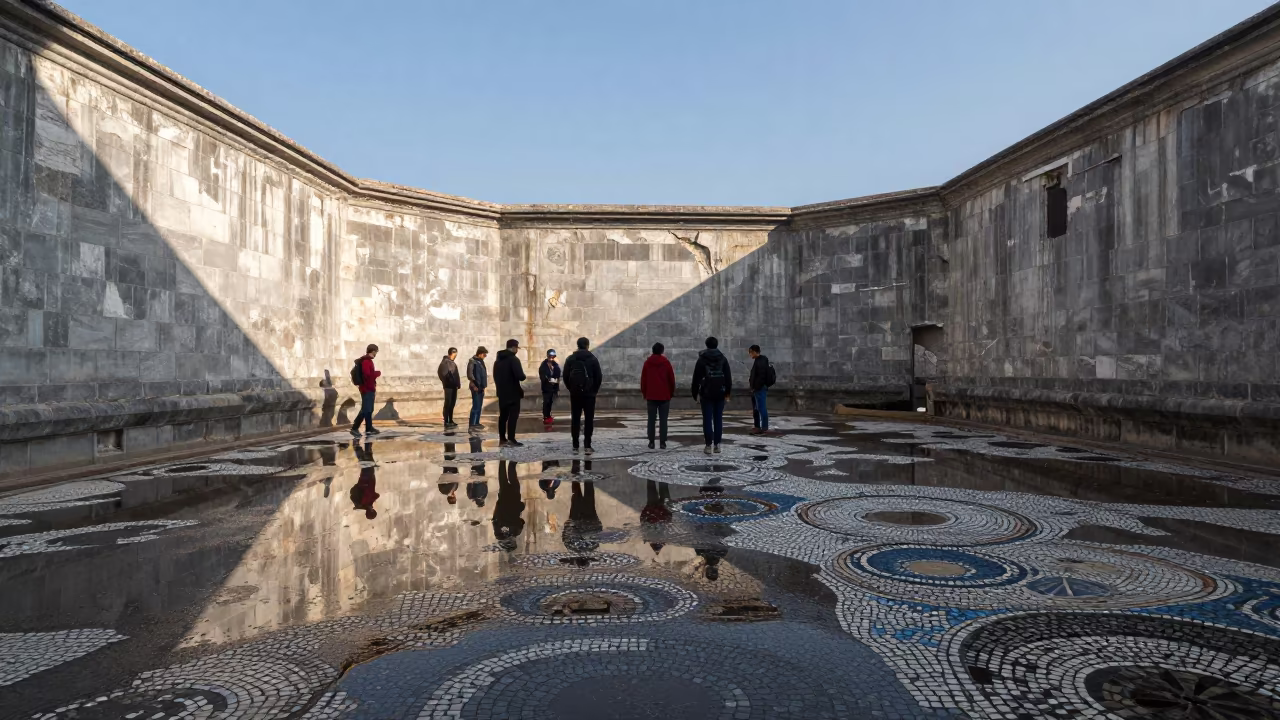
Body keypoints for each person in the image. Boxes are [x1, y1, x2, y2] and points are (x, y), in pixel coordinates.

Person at [691, 336, 732, 454]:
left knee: (707, 419)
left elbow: (696, 378)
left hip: (706, 393)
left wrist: (695, 394)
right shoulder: (723, 359)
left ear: (706, 345)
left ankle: (708, 445)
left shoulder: (702, 359)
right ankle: (717, 445)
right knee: (718, 418)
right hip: (720, 393)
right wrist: (727, 393)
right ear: (716, 345)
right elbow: (728, 378)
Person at [562, 337, 603, 454]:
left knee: (575, 418)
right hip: (589, 395)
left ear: (577, 345)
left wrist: (572, 389)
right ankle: (587, 445)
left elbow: (565, 376)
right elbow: (598, 377)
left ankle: (575, 445)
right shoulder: (593, 359)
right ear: (587, 345)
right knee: (589, 419)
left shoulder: (570, 359)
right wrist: (593, 390)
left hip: (575, 394)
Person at [639, 342, 676, 450]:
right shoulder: (666, 363)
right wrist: (671, 392)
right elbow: (671, 380)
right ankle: (663, 442)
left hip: (651, 395)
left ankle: (651, 442)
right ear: (662, 351)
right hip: (664, 396)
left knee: (651, 419)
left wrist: (644, 393)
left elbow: (643, 380)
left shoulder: (647, 363)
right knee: (663, 420)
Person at [493, 339, 527, 447]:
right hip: (513, 393)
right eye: (516, 348)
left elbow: (495, 377)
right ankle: (511, 439)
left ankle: (502, 439)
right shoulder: (513, 359)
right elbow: (520, 376)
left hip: (502, 392)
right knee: (513, 416)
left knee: (503, 416)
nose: (517, 350)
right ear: (513, 348)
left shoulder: (497, 361)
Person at [492, 461, 525, 552]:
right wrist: (498, 505)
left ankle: (511, 462)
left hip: (513, 501)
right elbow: (494, 519)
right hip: (504, 502)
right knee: (503, 479)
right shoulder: (499, 533)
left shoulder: (516, 531)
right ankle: (503, 461)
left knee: (512, 479)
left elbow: (521, 521)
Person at [350, 344, 382, 438]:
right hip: (367, 388)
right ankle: (354, 428)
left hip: (369, 388)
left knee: (369, 409)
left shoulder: (366, 361)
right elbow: (367, 375)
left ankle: (369, 428)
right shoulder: (366, 361)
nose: (376, 354)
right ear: (373, 351)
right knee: (365, 409)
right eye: (376, 352)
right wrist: (377, 373)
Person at [349, 442, 379, 519]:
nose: (372, 510)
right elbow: (375, 494)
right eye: (372, 511)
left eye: (371, 511)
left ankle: (358, 447)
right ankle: (366, 445)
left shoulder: (363, 503)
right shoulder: (368, 503)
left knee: (366, 463)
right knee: (368, 462)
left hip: (365, 481)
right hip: (369, 479)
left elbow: (369, 493)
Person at [748, 344, 771, 435]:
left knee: (761, 408)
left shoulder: (761, 361)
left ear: (754, 352)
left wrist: (755, 388)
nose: (749, 354)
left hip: (759, 389)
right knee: (756, 409)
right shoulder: (758, 360)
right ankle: (757, 426)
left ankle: (764, 428)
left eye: (750, 352)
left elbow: (761, 377)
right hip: (756, 389)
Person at [466, 346, 489, 431]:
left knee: (479, 406)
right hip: (475, 386)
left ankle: (477, 422)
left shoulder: (481, 362)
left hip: (481, 387)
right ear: (480, 353)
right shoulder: (472, 361)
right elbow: (470, 374)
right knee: (475, 405)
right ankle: (472, 423)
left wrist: (483, 385)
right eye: (484, 354)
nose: (485, 356)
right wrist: (475, 384)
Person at [438, 347, 461, 428]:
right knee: (448, 403)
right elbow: (442, 375)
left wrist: (457, 384)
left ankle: (450, 420)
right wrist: (448, 381)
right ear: (451, 353)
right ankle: (446, 420)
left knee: (452, 403)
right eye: (455, 355)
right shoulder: (445, 363)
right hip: (448, 386)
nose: (455, 356)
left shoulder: (452, 363)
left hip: (454, 386)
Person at [538, 349, 561, 425]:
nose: (551, 358)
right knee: (546, 402)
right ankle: (546, 416)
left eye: (553, 357)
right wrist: (548, 379)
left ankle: (549, 415)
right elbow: (542, 376)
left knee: (550, 402)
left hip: (553, 387)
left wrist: (556, 385)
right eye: (550, 357)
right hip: (546, 387)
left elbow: (558, 376)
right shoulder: (543, 365)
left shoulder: (555, 365)